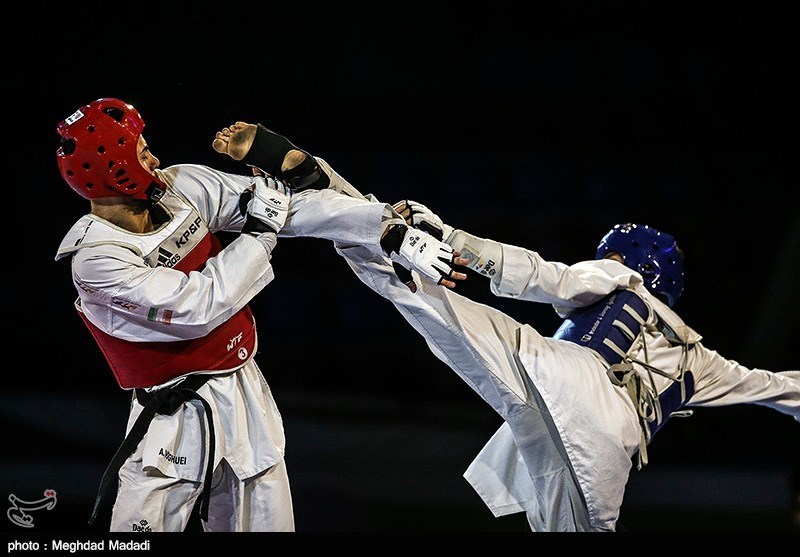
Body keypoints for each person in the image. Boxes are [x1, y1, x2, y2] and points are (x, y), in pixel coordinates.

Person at [215, 122, 800, 532]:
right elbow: (777, 387)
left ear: (634, 263)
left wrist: (457, 243)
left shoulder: (621, 281)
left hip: (552, 373)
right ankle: (343, 199)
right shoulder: (705, 362)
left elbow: (549, 280)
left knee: (408, 286)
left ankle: (314, 179)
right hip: (602, 435)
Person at [54, 98, 464, 532]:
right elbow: (200, 304)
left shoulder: (181, 188)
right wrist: (258, 234)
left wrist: (385, 228)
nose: (154, 159)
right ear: (113, 169)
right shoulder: (96, 259)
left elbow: (288, 209)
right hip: (170, 414)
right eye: (141, 153)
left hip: (243, 387)